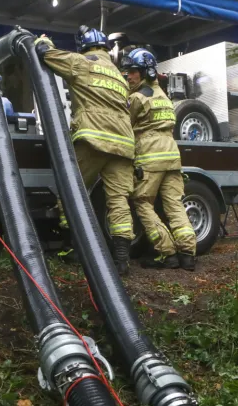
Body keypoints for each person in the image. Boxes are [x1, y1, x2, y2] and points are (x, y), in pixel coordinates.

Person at [35, 26, 135, 274]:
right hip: (123, 144)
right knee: (118, 201)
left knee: (72, 191)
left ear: (85, 47)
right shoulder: (119, 76)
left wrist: (43, 41)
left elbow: (47, 54)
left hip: (94, 139)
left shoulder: (82, 63)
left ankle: (73, 247)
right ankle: (122, 259)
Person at [119, 48, 196, 271]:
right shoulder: (164, 96)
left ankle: (167, 253)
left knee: (142, 203)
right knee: (174, 204)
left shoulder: (137, 98)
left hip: (150, 156)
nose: (129, 76)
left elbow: (124, 125)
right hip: (172, 156)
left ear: (146, 72)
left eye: (133, 71)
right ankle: (188, 254)